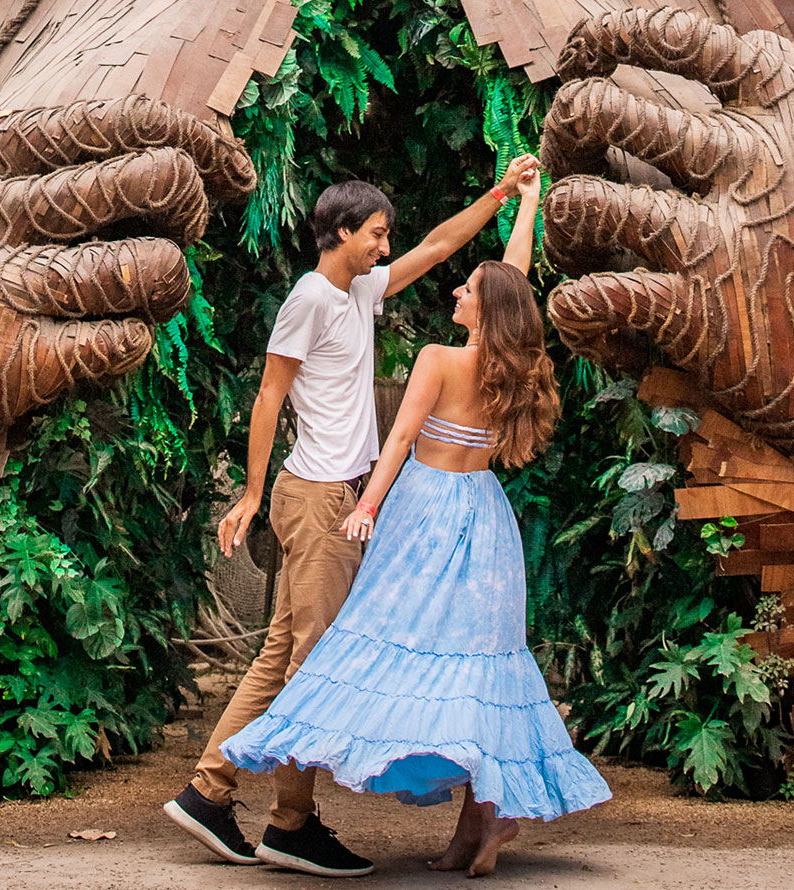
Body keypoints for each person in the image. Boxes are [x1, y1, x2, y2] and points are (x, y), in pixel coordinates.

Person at [219, 167, 610, 878]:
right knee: (478, 669)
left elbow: (397, 440)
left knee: (368, 648)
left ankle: (277, 799)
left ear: (484, 310)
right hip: (483, 518)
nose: (454, 290)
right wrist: (524, 205)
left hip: (418, 510)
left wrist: (367, 505)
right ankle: (479, 826)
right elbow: (508, 280)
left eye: (467, 291)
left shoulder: (437, 357)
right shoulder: (508, 360)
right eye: (377, 233)